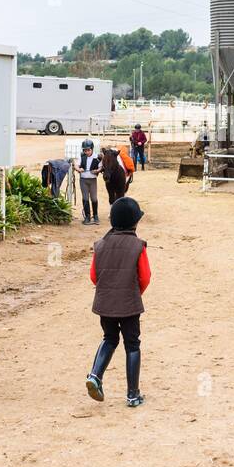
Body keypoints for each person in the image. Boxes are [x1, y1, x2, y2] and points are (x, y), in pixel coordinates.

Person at [85, 196, 151, 408]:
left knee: (109, 338)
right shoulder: (137, 245)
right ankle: (133, 395)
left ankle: (95, 375)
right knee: (132, 345)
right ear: (134, 222)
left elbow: (94, 276)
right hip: (130, 304)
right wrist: (133, 292)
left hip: (105, 303)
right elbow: (145, 277)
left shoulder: (100, 245)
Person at [76, 139, 102, 225]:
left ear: (92, 149)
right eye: (85, 150)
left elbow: (100, 167)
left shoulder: (97, 157)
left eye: (88, 150)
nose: (87, 152)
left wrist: (97, 171)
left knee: (94, 198)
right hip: (83, 180)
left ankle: (95, 215)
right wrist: (79, 169)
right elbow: (76, 165)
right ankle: (87, 216)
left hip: (92, 180)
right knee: (85, 198)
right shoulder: (81, 156)